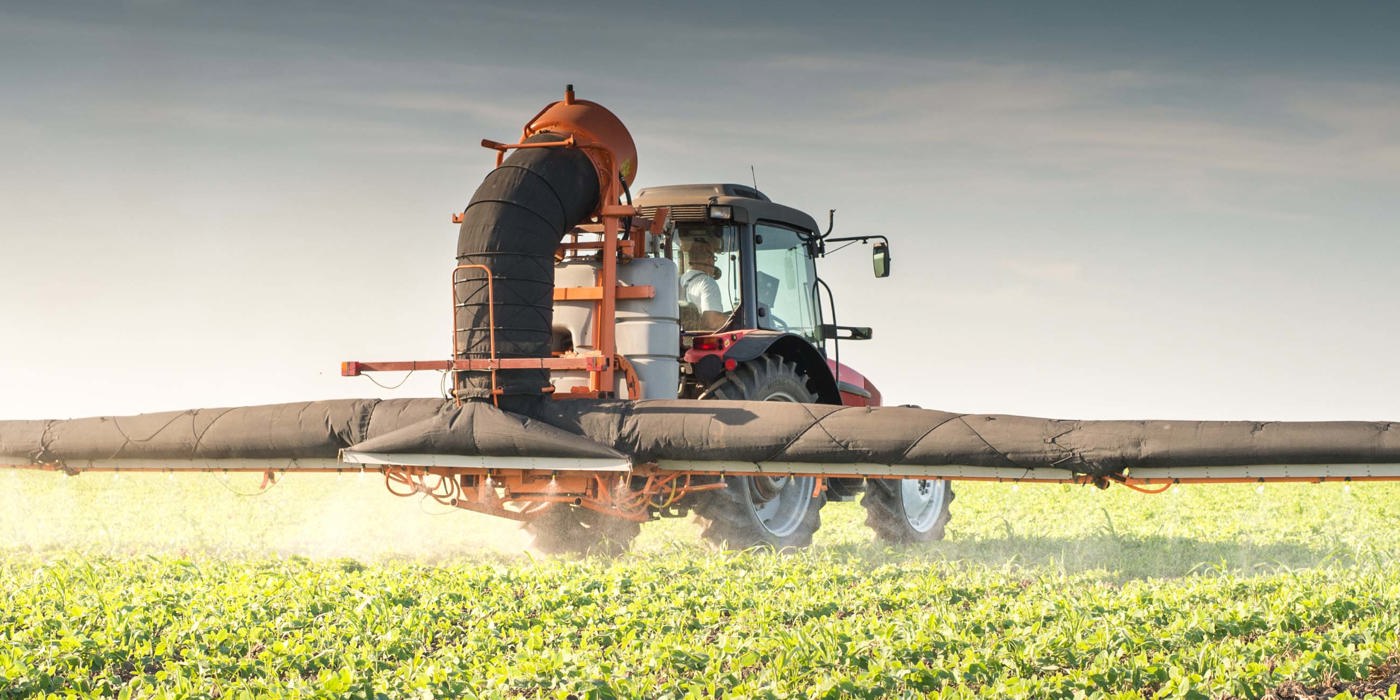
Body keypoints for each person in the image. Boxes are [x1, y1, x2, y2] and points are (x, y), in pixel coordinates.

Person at [680, 236, 729, 331]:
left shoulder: (678, 281)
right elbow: (712, 322)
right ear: (709, 259)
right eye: (713, 258)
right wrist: (739, 320)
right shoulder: (706, 282)